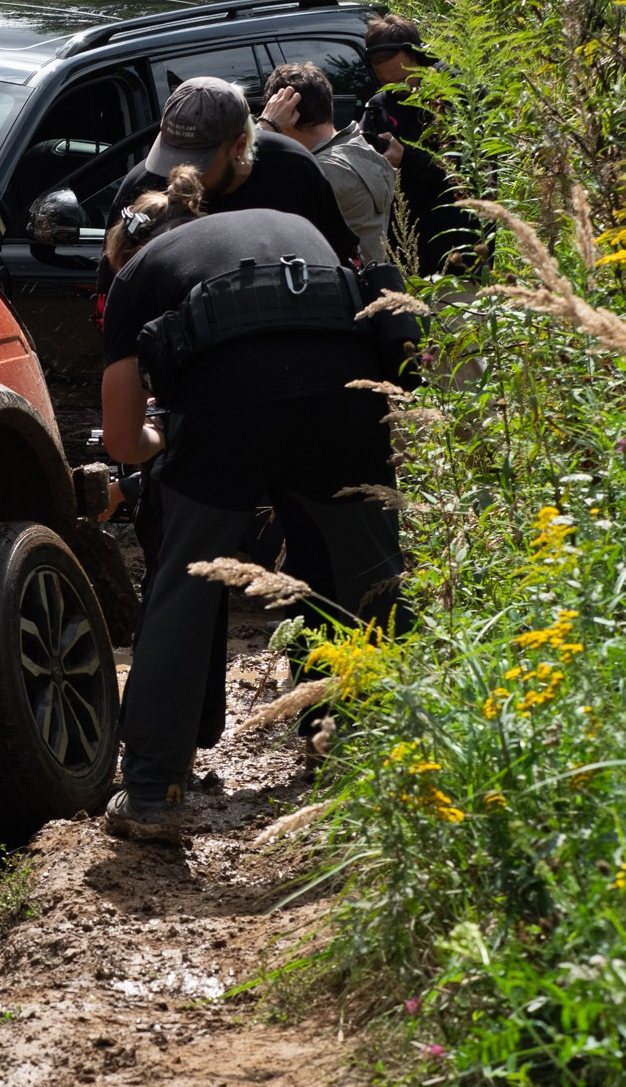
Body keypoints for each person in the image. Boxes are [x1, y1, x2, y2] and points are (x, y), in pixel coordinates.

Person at [97, 168, 406, 845]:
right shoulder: (291, 226)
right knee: (373, 576)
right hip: (347, 402)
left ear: (130, 248)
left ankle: (152, 795)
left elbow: (123, 441)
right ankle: (388, 754)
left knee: (185, 584)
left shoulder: (137, 273)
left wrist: (165, 435)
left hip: (227, 416)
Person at [98, 76, 361, 295]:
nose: (177, 173)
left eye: (197, 162)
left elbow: (344, 265)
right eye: (171, 155)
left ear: (239, 146)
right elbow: (111, 297)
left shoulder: (292, 168)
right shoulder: (145, 185)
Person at [361, 14, 480, 274]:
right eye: (386, 83)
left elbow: (468, 176)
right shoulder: (378, 107)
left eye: (404, 79)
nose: (397, 89)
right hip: (406, 253)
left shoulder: (458, 97)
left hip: (459, 253)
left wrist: (407, 159)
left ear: (421, 59)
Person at [260, 62, 398, 268]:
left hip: (342, 285)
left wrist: (267, 126)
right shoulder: (357, 147)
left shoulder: (324, 172)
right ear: (330, 105)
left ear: (288, 115)